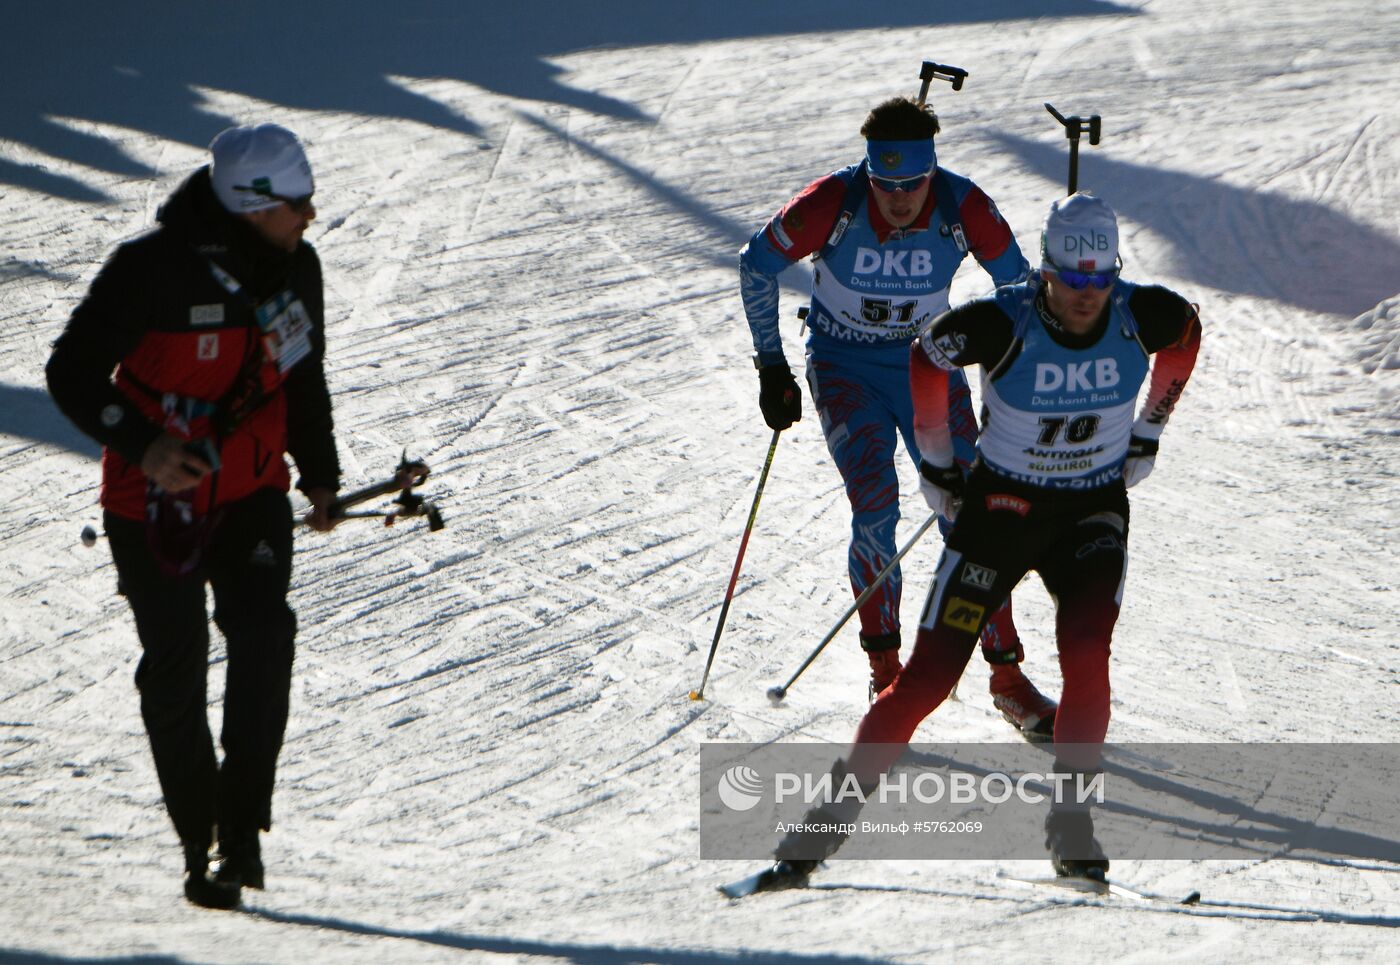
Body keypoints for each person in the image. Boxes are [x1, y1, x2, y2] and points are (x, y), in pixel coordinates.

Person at [766, 192, 1202, 883]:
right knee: (926, 682)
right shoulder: (1006, 321)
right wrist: (939, 460)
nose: (1086, 294)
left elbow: (1186, 333)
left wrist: (1150, 427)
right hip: (1002, 513)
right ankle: (824, 825)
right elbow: (925, 356)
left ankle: (1071, 820)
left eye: (1100, 278)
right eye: (1071, 277)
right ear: (1046, 270)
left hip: (1090, 513)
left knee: (1087, 650)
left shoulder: (1139, 311)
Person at [45, 124, 342, 909]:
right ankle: (200, 836)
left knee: (264, 633)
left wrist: (321, 477)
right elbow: (70, 372)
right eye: (298, 203)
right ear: (252, 203)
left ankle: (238, 834)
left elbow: (303, 374)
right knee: (174, 672)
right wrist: (143, 448)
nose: (310, 216)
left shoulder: (294, 269)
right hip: (150, 507)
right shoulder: (150, 269)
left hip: (250, 495)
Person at [738, 96, 1057, 732]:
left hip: (927, 366)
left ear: (931, 172)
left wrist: (1018, 368)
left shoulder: (964, 205)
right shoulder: (830, 202)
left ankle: (1006, 674)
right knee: (876, 504)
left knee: (975, 518)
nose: (901, 199)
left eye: (913, 183)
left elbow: (1019, 289)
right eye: (887, 185)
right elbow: (756, 264)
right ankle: (888, 675)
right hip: (844, 369)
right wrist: (771, 365)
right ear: (869, 174)